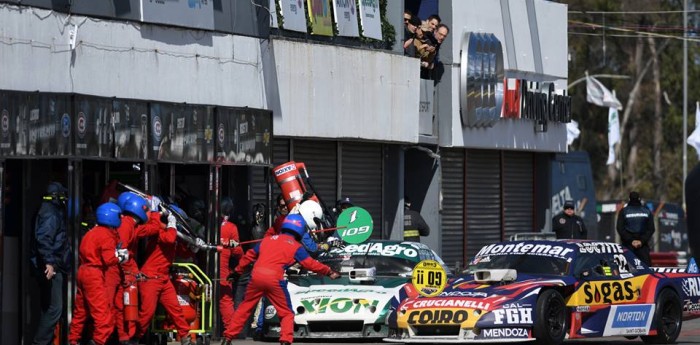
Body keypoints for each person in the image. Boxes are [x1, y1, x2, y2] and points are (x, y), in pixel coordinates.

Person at [222, 214, 341, 345]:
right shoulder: (296, 246)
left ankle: (227, 338)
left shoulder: (267, 240)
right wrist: (329, 271)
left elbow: (249, 255)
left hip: (256, 276)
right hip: (275, 279)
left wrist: (237, 272)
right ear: (301, 230)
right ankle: (285, 340)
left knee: (245, 307)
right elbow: (310, 264)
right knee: (286, 313)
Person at [68, 202, 127, 345]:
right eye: (119, 215)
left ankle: (73, 340)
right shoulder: (106, 235)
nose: (121, 217)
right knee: (104, 317)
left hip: (82, 271)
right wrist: (121, 257)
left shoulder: (91, 232)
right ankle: (98, 342)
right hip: (94, 274)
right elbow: (109, 260)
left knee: (80, 312)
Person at [134, 208, 194, 345]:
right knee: (146, 314)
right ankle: (134, 338)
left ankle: (185, 337)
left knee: (176, 310)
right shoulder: (161, 231)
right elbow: (169, 239)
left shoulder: (171, 233)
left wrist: (192, 248)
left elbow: (180, 251)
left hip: (163, 278)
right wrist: (172, 225)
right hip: (150, 278)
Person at [30, 182, 72, 345]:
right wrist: (49, 262)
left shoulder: (49, 210)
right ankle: (40, 343)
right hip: (52, 266)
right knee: (56, 309)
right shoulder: (51, 213)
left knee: (48, 307)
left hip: (52, 264)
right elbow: (44, 238)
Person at [219, 196, 243, 337]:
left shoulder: (207, 224)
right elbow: (237, 252)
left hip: (204, 268)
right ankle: (230, 332)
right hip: (222, 269)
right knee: (226, 300)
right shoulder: (231, 227)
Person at [616, 191, 656, 266]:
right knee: (646, 270)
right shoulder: (647, 211)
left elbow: (620, 228)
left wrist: (631, 240)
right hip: (642, 246)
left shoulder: (624, 211)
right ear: (639, 199)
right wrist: (641, 241)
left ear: (629, 199)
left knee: (627, 268)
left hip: (628, 246)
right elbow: (651, 229)